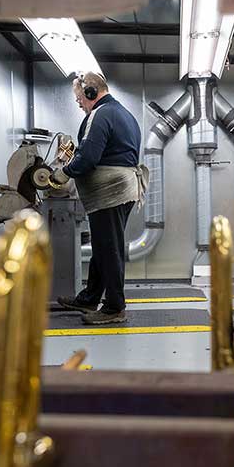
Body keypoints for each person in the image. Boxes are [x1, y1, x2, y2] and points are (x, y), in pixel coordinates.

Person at [54, 72, 145, 325]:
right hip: (121, 189)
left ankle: (115, 307)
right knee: (105, 246)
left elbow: (88, 157)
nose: (79, 104)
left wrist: (63, 173)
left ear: (91, 93)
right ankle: (90, 297)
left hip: (110, 192)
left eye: (79, 98)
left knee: (109, 248)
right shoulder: (123, 113)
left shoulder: (100, 114)